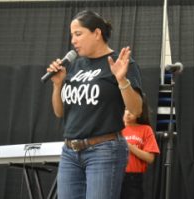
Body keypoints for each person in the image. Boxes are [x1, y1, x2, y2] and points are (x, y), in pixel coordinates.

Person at [46, 10, 143, 199]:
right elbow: (59, 112)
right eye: (71, 35)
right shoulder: (73, 65)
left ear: (97, 33)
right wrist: (58, 85)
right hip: (70, 152)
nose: (73, 40)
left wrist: (122, 80)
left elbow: (136, 109)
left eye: (78, 34)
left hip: (104, 150)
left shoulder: (120, 62)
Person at [120, 95, 160, 199]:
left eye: (131, 110)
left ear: (139, 112)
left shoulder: (145, 129)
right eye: (125, 109)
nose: (127, 113)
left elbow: (150, 158)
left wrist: (130, 147)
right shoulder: (115, 128)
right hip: (114, 174)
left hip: (133, 178)